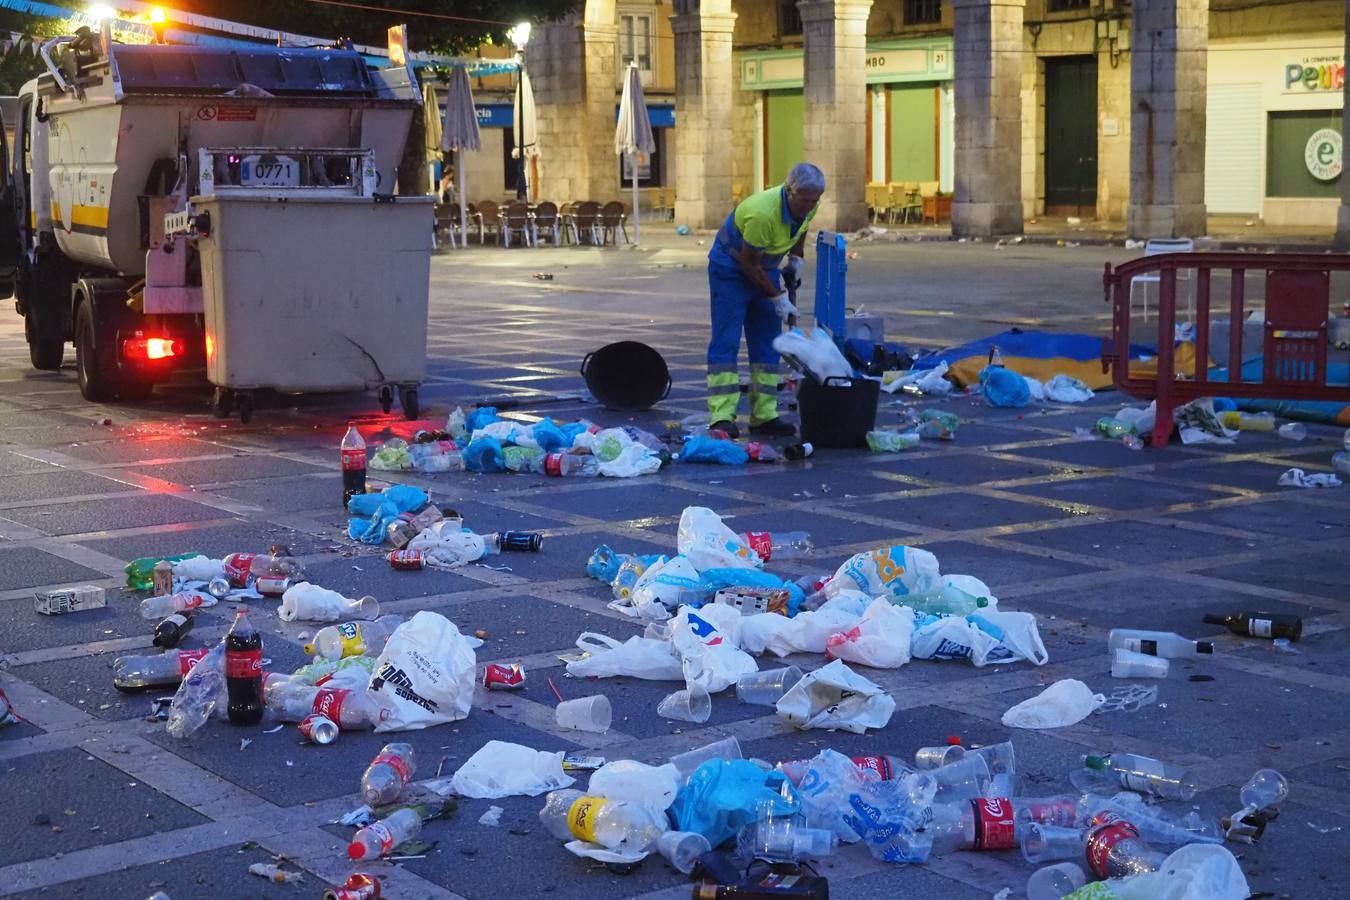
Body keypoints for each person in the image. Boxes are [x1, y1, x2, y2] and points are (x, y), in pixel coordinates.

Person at [705, 162, 824, 438]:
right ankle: (721, 416)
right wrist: (778, 298)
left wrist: (796, 259)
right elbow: (748, 265)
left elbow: (801, 228)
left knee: (768, 343)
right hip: (730, 270)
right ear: (789, 191)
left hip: (765, 268)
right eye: (804, 200)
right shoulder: (762, 213)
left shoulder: (810, 202)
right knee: (726, 342)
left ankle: (764, 416)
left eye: (814, 201)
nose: (809, 206)